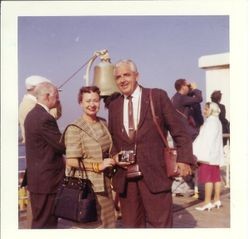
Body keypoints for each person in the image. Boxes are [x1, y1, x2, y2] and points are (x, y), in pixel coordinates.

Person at [108, 59, 194, 228]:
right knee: (132, 228)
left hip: (156, 176)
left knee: (160, 227)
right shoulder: (114, 106)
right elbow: (113, 140)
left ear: (136, 76)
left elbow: (180, 131)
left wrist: (184, 159)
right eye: (118, 77)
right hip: (127, 181)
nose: (122, 80)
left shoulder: (156, 96)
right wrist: (114, 157)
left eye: (127, 75)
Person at [63, 86, 116, 228]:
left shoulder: (103, 123)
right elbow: (71, 161)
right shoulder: (75, 128)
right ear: (80, 103)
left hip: (105, 185)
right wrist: (97, 166)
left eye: (95, 100)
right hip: (88, 188)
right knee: (93, 227)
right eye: (87, 101)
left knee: (109, 224)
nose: (92, 104)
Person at [24, 82, 65, 228]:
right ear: (47, 96)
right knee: (46, 224)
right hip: (47, 183)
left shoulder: (31, 115)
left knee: (40, 221)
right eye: (57, 96)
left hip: (37, 181)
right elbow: (61, 145)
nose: (58, 99)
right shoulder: (45, 118)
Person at [193, 102, 224, 211]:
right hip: (215, 155)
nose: (204, 111)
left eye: (206, 109)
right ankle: (217, 200)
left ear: (211, 110)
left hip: (207, 155)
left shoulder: (210, 122)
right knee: (216, 178)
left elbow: (205, 140)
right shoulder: (218, 121)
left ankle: (207, 202)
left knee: (208, 179)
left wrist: (201, 129)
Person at [19, 75, 62, 144]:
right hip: (39, 147)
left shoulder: (28, 103)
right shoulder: (29, 105)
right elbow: (51, 118)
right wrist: (54, 100)